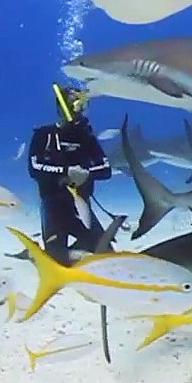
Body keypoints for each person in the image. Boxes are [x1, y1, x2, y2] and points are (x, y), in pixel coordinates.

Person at [28, 84, 112, 265]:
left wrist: (86, 173)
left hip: (81, 207)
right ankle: (36, 252)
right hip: (53, 206)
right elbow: (34, 168)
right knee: (57, 261)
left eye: (83, 105)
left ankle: (76, 250)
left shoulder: (86, 137)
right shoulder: (45, 134)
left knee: (107, 256)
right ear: (61, 107)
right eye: (75, 105)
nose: (80, 111)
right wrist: (66, 172)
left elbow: (106, 170)